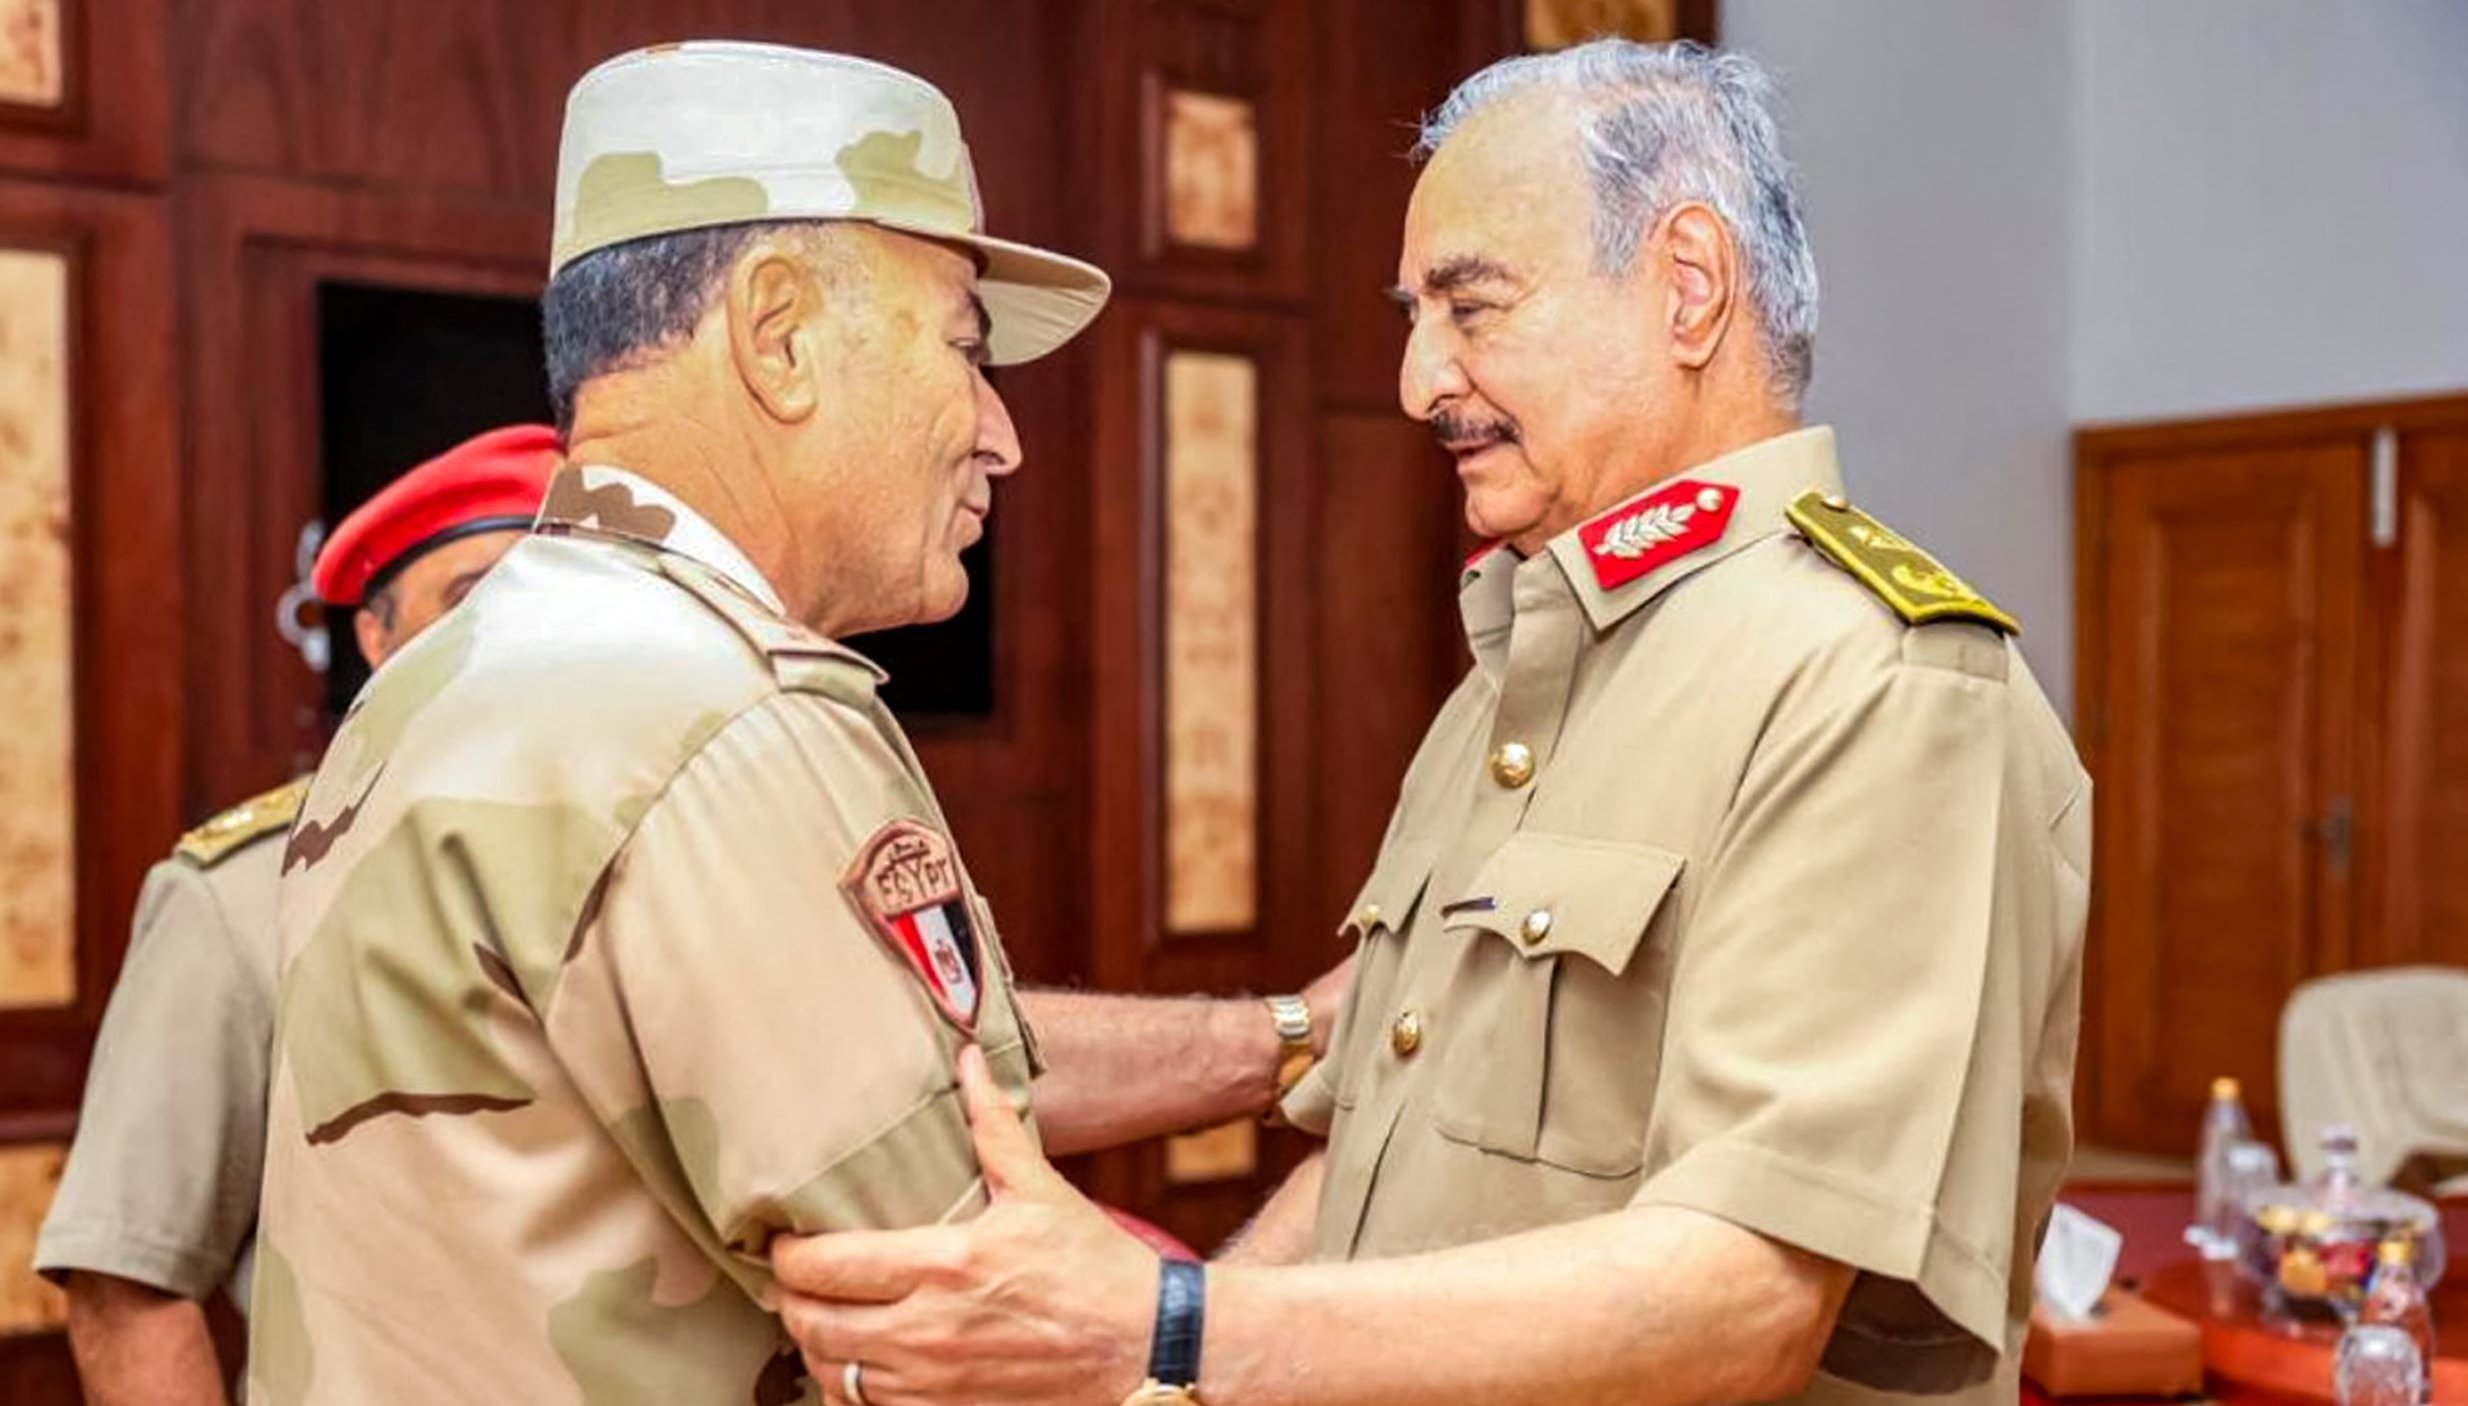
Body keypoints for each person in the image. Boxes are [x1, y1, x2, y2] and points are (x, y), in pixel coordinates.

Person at [772, 38, 2091, 1406]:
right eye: (1414, 316)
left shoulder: (1874, 682)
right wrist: (1168, 1388)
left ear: (1689, 288)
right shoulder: (1520, 668)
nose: (1418, 380)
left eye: (1473, 307)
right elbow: (1370, 1161)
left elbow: (1744, 1298)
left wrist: (1168, 1322)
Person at [246, 43, 1344, 1405]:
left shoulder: (452, 669)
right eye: (964, 347)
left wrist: (1290, 1038)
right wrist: (1336, 1239)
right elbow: (978, 1345)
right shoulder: (722, 719)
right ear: (777, 334)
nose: (1000, 430)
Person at [33, 423, 562, 1406]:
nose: (522, 635)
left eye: (562, 596)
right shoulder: (246, 894)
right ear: (376, 633)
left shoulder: (677, 851)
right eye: (473, 596)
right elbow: (128, 1289)